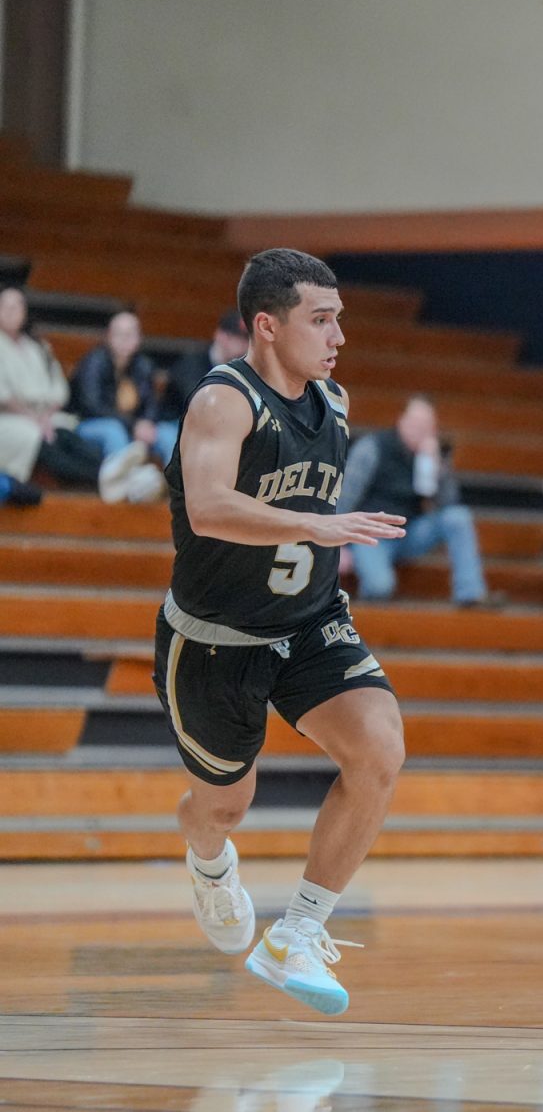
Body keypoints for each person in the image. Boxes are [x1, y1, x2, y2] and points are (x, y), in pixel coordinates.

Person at [152, 248, 408, 1015]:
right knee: (225, 805)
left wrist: (320, 535)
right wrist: (312, 521)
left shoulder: (335, 400)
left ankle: (298, 931)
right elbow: (207, 506)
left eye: (339, 320)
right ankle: (208, 861)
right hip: (216, 640)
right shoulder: (223, 402)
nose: (337, 337)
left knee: (380, 748)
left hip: (309, 623)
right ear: (266, 326)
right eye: (320, 320)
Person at [338, 395, 497, 607]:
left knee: (459, 517)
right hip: (372, 536)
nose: (419, 430)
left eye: (426, 426)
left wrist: (436, 466)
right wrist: (339, 545)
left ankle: (471, 594)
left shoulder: (431, 455)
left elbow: (449, 503)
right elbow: (345, 496)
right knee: (379, 587)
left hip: (409, 531)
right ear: (401, 421)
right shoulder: (372, 448)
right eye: (415, 423)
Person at [0, 285, 148, 500]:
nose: (13, 310)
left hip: (47, 416)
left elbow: (58, 389)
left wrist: (45, 417)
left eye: (18, 305)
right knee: (39, 439)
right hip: (11, 419)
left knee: (67, 435)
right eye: (6, 305)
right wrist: (35, 420)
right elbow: (3, 396)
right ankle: (109, 477)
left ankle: (116, 472)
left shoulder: (38, 346)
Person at [70, 310, 175, 468]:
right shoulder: (94, 362)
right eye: (119, 334)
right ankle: (122, 485)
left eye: (130, 334)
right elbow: (92, 406)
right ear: (108, 336)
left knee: (167, 433)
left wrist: (147, 422)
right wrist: (133, 425)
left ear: (139, 338)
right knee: (114, 431)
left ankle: (179, 487)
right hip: (91, 424)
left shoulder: (144, 365)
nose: (125, 340)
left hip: (134, 426)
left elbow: (152, 403)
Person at [157, 308, 250, 455]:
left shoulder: (244, 371)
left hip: (217, 427)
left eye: (246, 339)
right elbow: (197, 406)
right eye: (236, 338)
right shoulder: (191, 364)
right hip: (176, 423)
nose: (242, 345)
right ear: (220, 336)